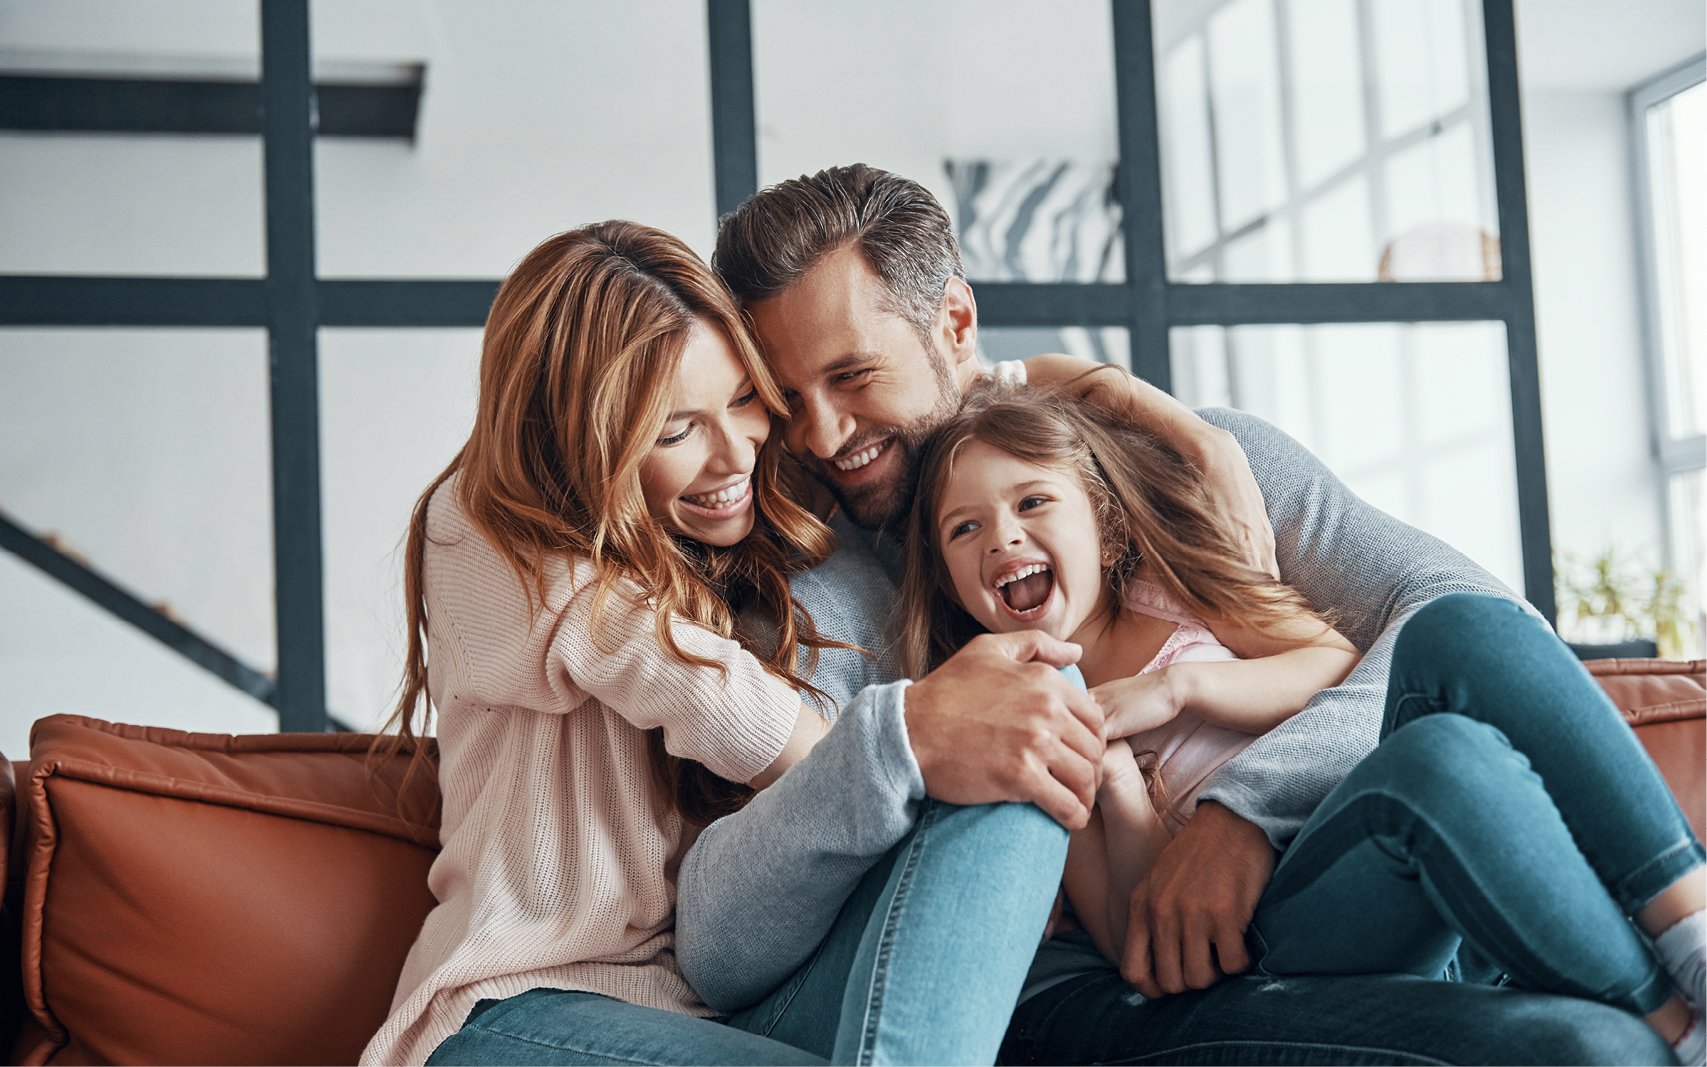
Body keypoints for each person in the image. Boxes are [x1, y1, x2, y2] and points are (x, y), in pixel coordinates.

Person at [671, 162, 1685, 1064]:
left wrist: (1246, 808)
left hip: (1387, 873)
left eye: (852, 376)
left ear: (956, 325)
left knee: (1462, 750)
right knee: (1584, 1043)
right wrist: (902, 743)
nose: (820, 431)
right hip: (1121, 983)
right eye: (786, 396)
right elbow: (721, 932)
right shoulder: (809, 594)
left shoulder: (1189, 463)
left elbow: (1471, 630)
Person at [359, 220, 1103, 1066]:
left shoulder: (722, 514)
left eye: (745, 398)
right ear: (583, 438)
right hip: (515, 1011)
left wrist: (1136, 403)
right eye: (675, 430)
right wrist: (899, 745)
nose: (734, 455)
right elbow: (700, 692)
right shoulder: (482, 526)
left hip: (715, 1013)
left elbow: (951, 404)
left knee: (1027, 708)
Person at [903, 385, 1707, 1061]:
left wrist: (1181, 691)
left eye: (1032, 500)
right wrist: (1116, 783)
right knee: (1433, 764)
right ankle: (1674, 1031)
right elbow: (1133, 941)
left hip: (1346, 829)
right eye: (963, 527)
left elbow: (1336, 662)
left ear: (1107, 526)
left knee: (1462, 641)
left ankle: (1692, 949)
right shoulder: (1036, 711)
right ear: (951, 583)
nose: (1003, 534)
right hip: (1277, 926)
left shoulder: (1175, 596)